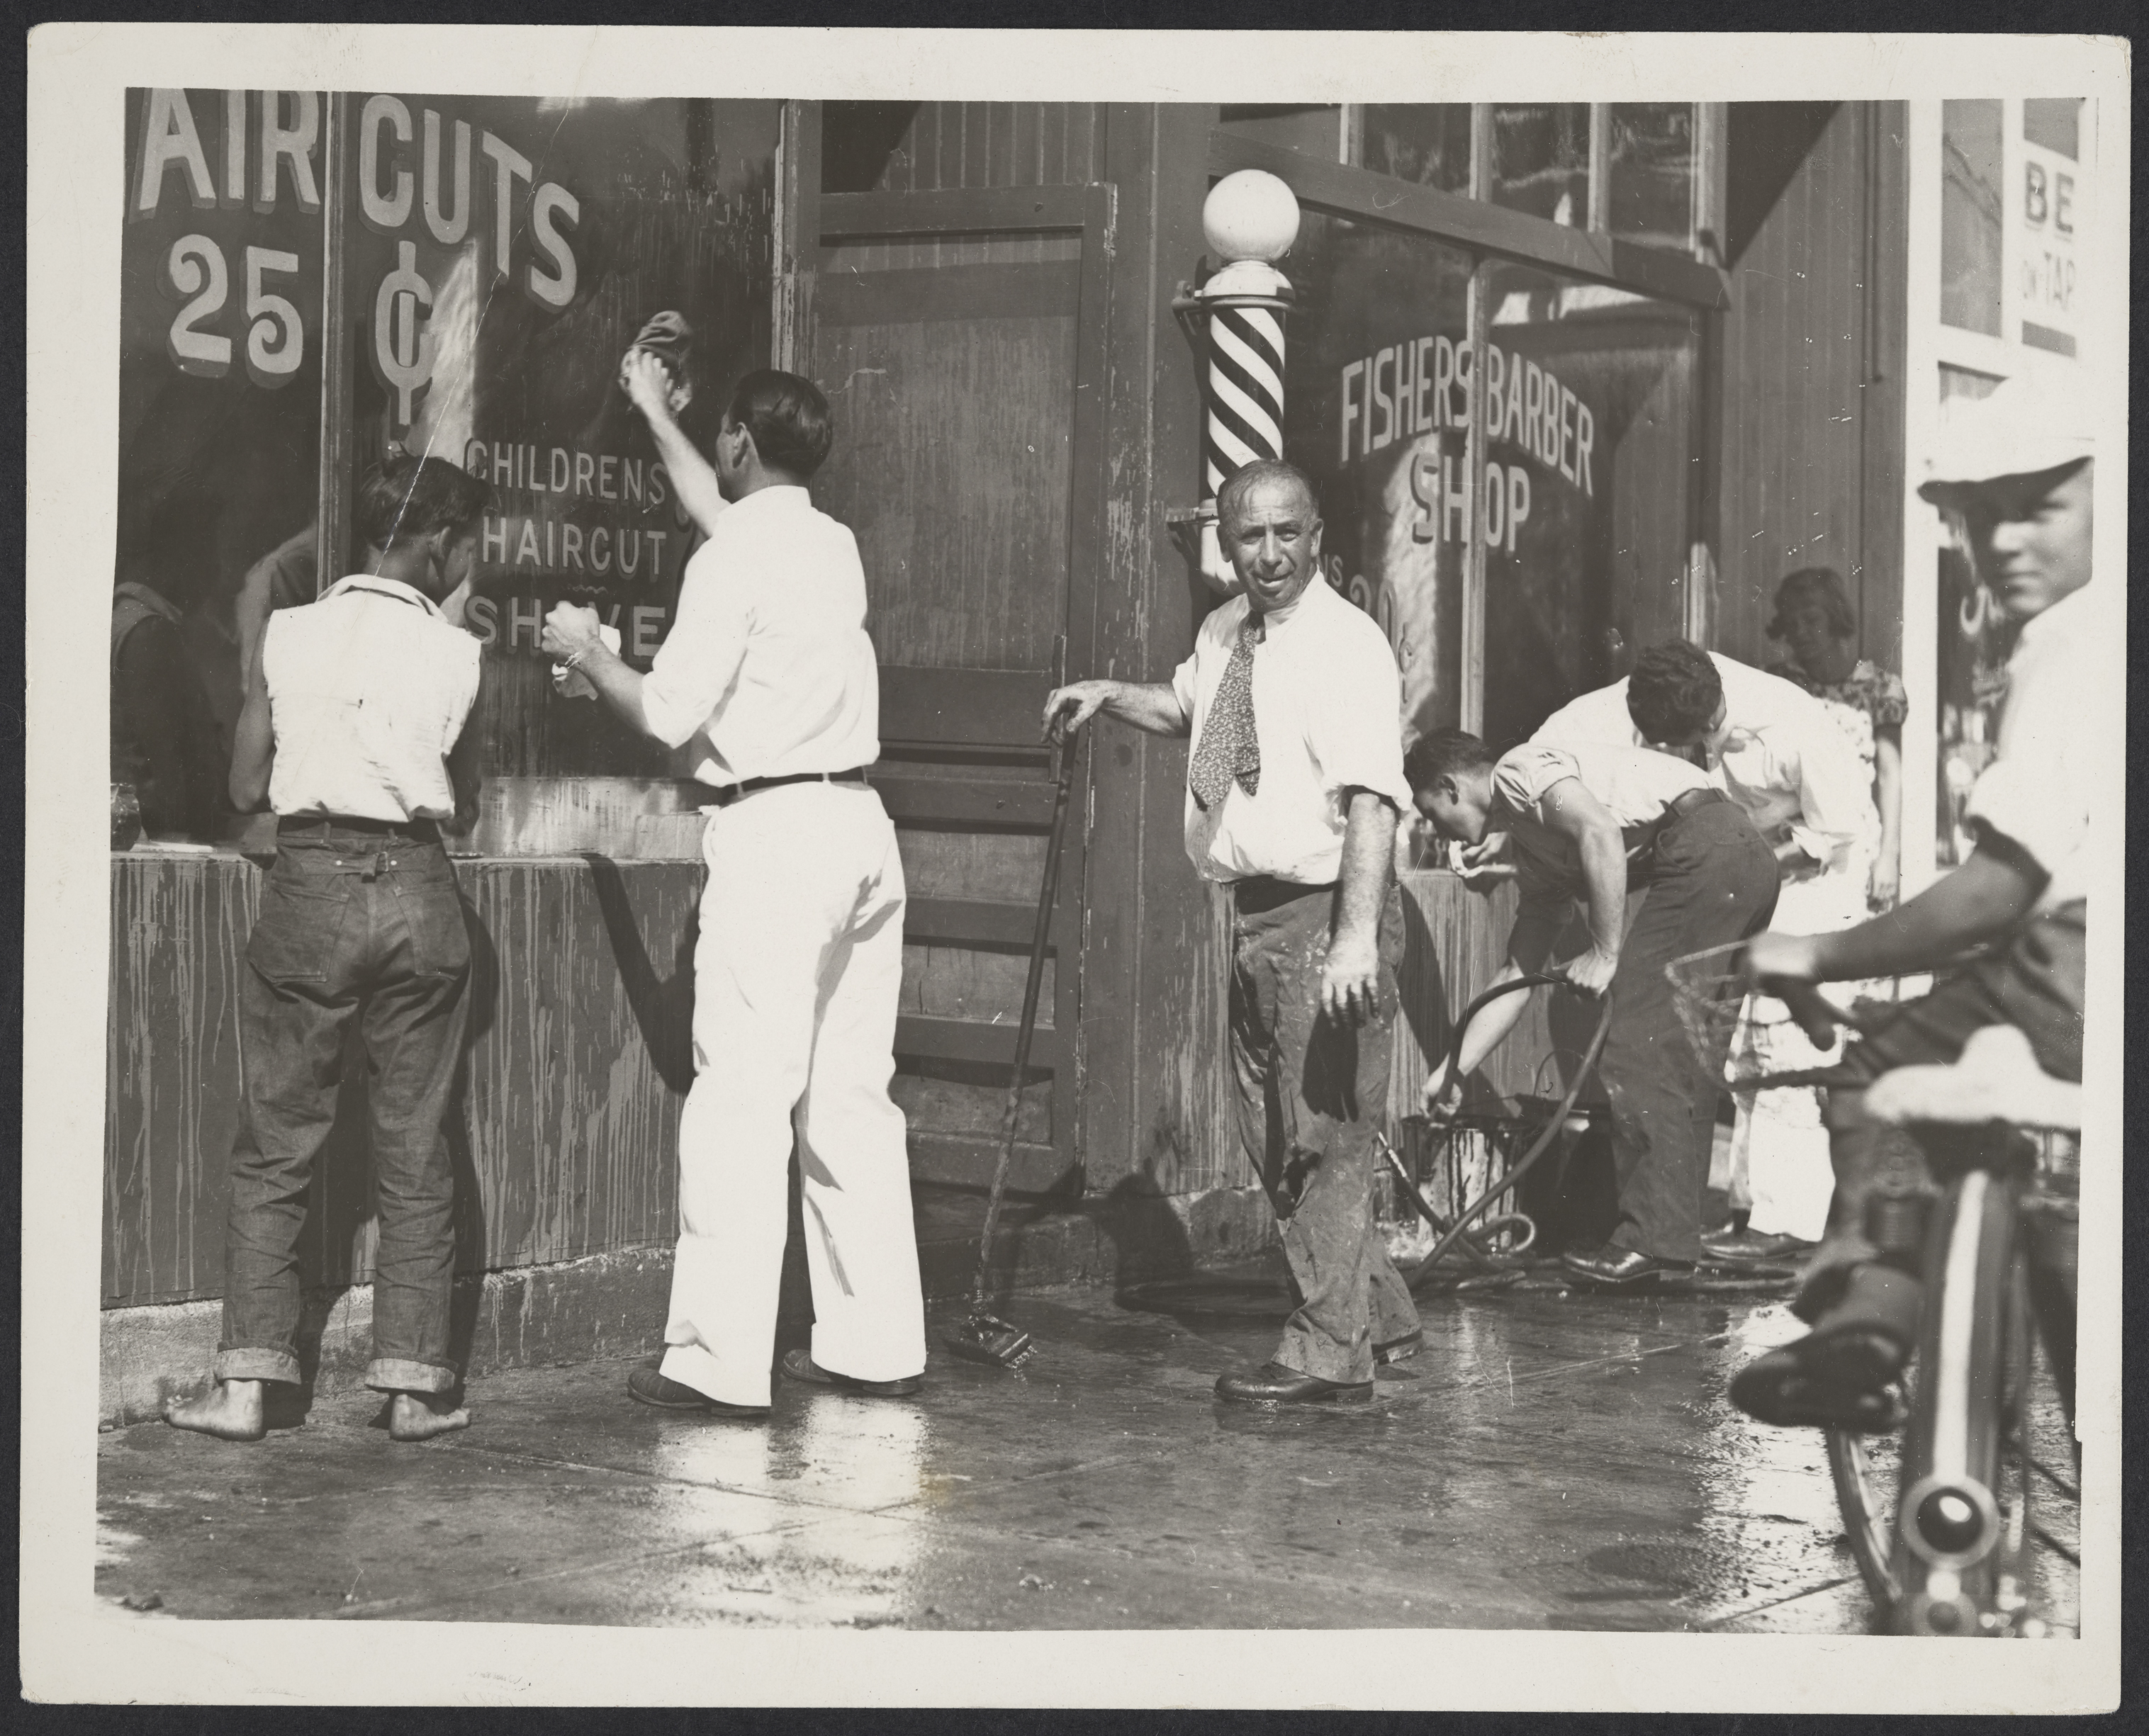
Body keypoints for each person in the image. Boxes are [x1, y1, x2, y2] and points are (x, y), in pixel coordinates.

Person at [539, 364, 926, 1419]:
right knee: (850, 1098)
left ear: (743, 445)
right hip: (860, 828)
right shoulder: (826, 541)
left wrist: (586, 652)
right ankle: (875, 1345)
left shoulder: (731, 557)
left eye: (718, 440)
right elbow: (719, 508)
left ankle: (713, 1364)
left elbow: (664, 713)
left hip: (778, 835)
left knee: (740, 1101)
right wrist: (658, 411)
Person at [1727, 373, 2094, 1431]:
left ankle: (1869, 1316)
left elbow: (2000, 884)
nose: (2007, 540)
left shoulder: (2069, 641)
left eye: (2038, 505)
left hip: (2071, 961)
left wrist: (1817, 953)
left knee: (1886, 1058)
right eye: (1980, 518)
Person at [1043, 458, 1420, 1407]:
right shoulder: (1224, 633)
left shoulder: (1348, 645)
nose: (1271, 554)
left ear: (1318, 535)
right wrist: (1109, 694)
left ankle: (1332, 1352)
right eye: (1251, 536)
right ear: (1229, 543)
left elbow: (1374, 801)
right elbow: (1195, 710)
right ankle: (1382, 1313)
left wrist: (1356, 939)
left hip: (1329, 911)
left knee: (1321, 1137)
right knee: (1274, 1130)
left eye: (1288, 533)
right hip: (1252, 910)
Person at [164, 456, 489, 1444]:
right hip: (420, 895)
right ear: (440, 545)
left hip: (309, 887)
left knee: (275, 1143)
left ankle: (248, 1384)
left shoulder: (290, 634)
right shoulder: (456, 650)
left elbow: (244, 783)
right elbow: (463, 803)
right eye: (468, 545)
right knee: (418, 1143)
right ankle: (413, 1386)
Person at [1533, 641, 1875, 1258]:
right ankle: (1745, 1209)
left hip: (1816, 878)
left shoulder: (1796, 725)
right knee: (1727, 1045)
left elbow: (1839, 830)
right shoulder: (1683, 680)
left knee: (1780, 1047)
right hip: (1746, 871)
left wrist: (1743, 859)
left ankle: (1789, 1223)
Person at [1408, 731, 1779, 1287]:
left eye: (1431, 814)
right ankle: (1673, 1243)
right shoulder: (1533, 845)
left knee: (1637, 1036)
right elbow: (1517, 974)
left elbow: (1599, 829)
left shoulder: (1518, 771)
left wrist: (1606, 954)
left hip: (1706, 850)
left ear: (1450, 786)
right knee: (1684, 1054)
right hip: (1744, 855)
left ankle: (1653, 1241)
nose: (1437, 832)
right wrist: (1452, 1070)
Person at [1764, 566, 1908, 911]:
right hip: (1797, 838)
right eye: (1792, 623)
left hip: (1859, 843)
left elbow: (1890, 776)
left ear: (1835, 618)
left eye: (1811, 620)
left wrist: (1888, 856)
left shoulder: (1880, 687)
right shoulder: (1780, 684)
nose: (1800, 633)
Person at [111, 505, 228, 843]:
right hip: (159, 835)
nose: (216, 570)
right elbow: (167, 767)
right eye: (208, 552)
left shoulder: (128, 620)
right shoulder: (149, 631)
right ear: (177, 555)